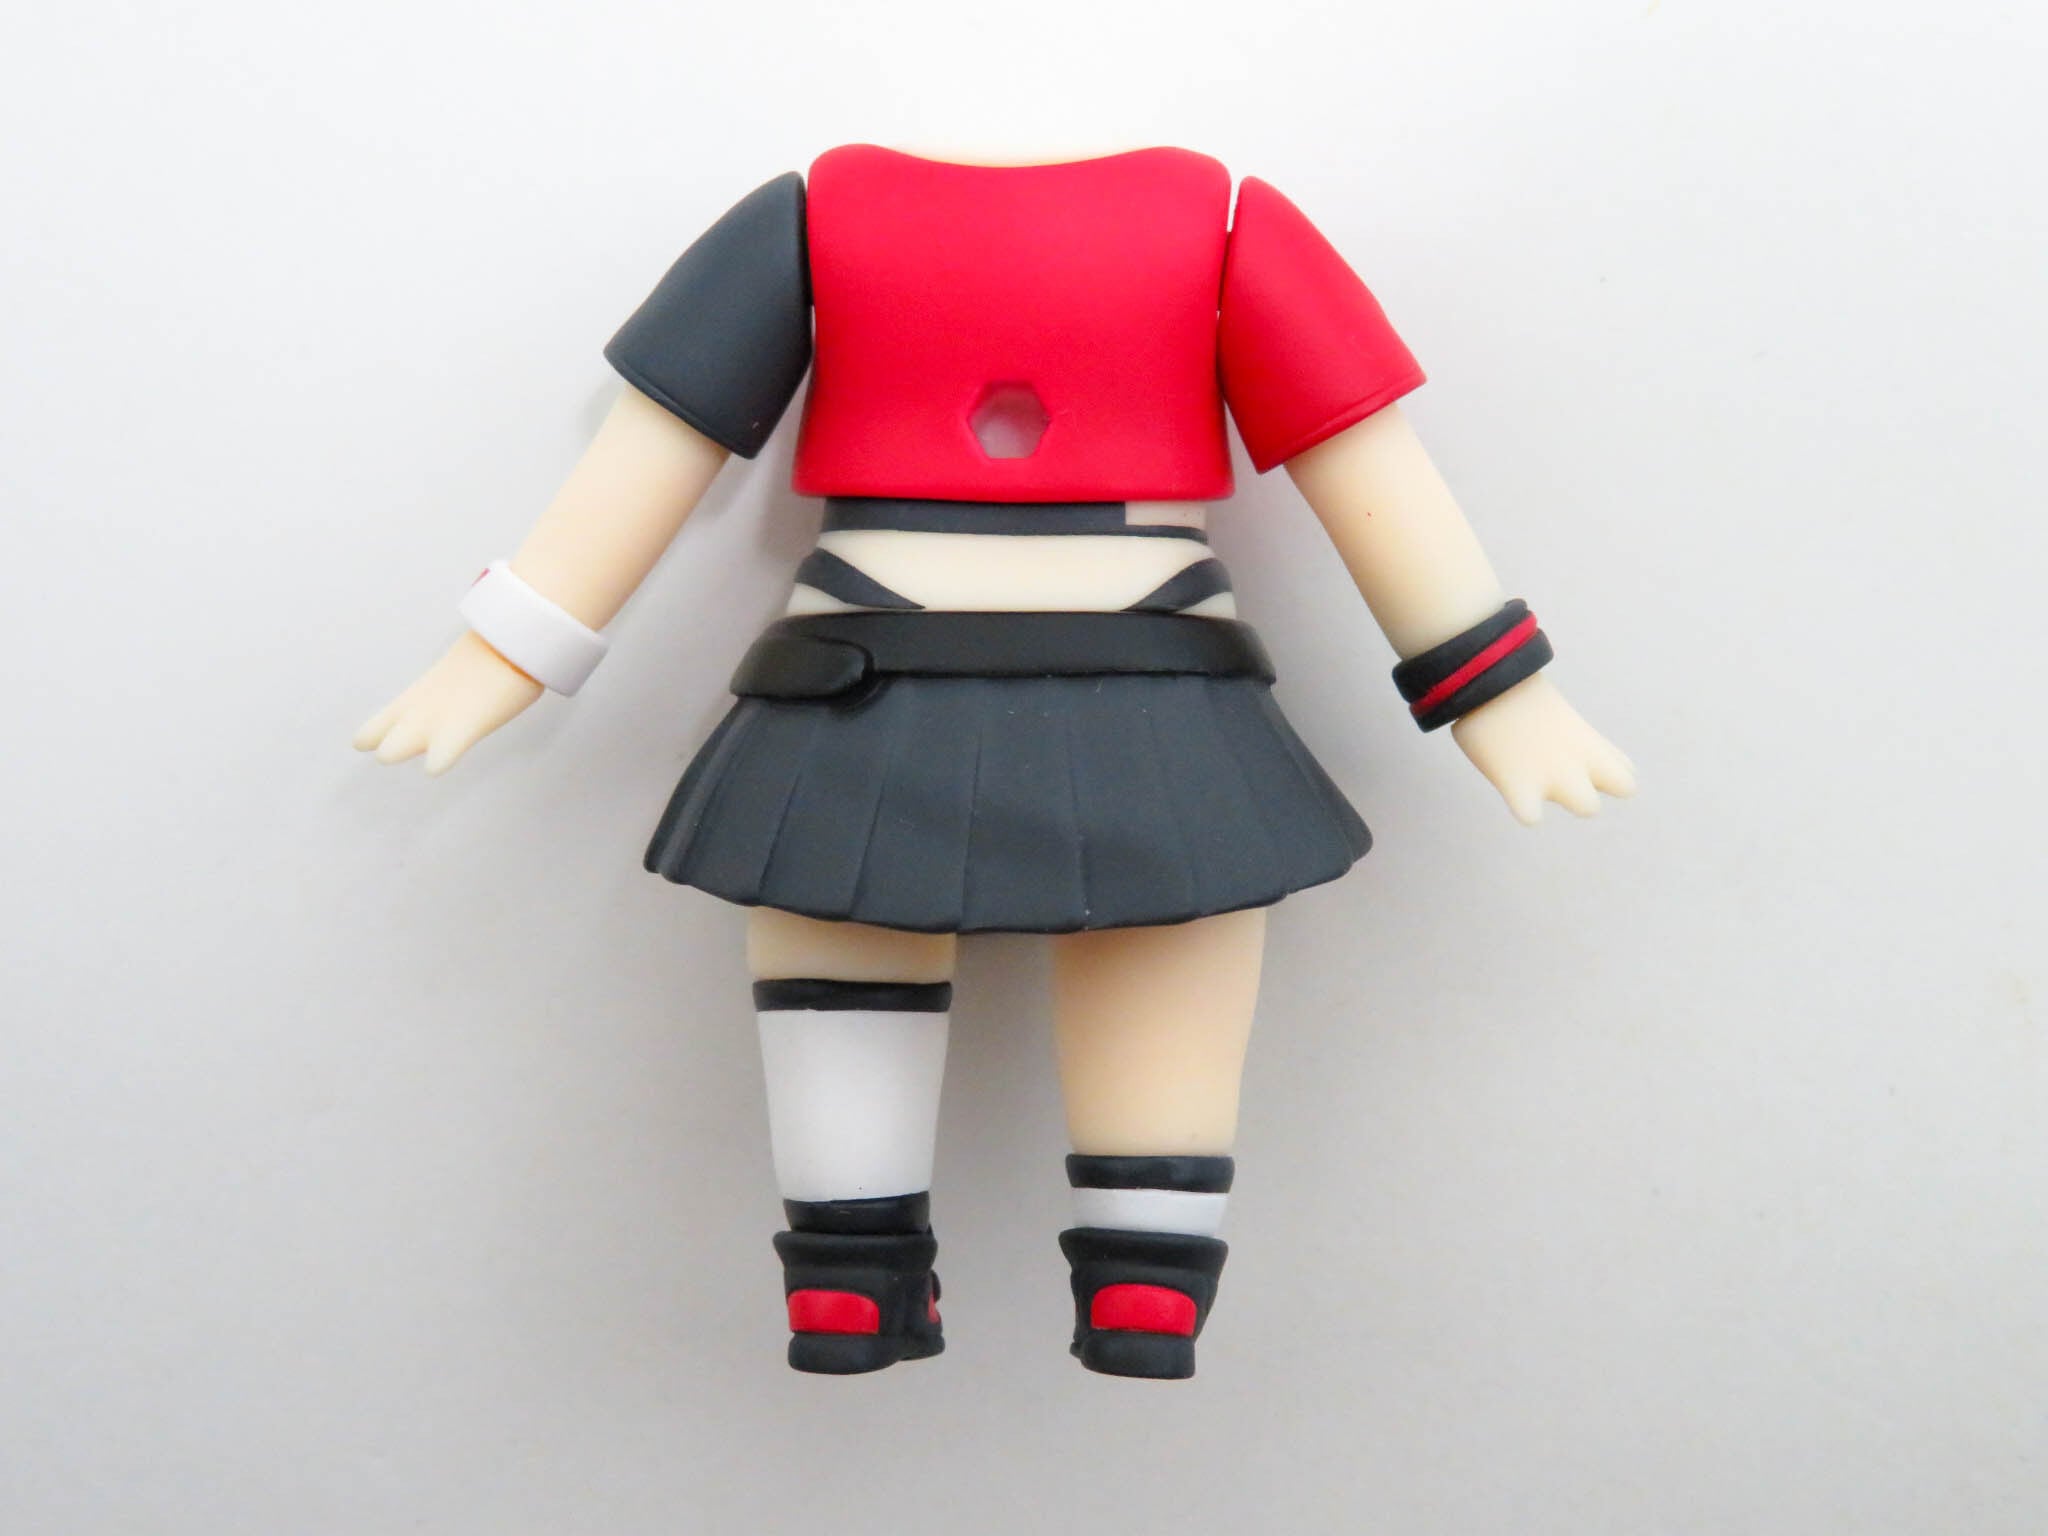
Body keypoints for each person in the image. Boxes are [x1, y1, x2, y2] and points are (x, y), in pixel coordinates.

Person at [355, 144, 1635, 1379]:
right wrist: (1496, 691)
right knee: (1164, 909)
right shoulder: (1204, 228)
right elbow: (1365, 463)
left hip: (876, 658)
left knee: (848, 916)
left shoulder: (815, 221)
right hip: (1131, 663)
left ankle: (853, 1264)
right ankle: (1140, 1263)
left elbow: (653, 449)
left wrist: (506, 654)